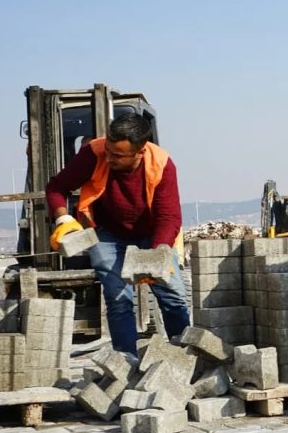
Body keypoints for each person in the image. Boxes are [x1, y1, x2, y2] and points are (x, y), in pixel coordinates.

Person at [45, 114, 189, 358]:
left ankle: (184, 358)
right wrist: (63, 219)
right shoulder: (94, 153)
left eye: (118, 155)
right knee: (117, 297)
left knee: (172, 294)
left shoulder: (161, 164)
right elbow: (57, 187)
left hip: (152, 231)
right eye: (109, 151)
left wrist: (156, 255)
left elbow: (169, 217)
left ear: (139, 152)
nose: (109, 158)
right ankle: (126, 363)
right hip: (108, 232)